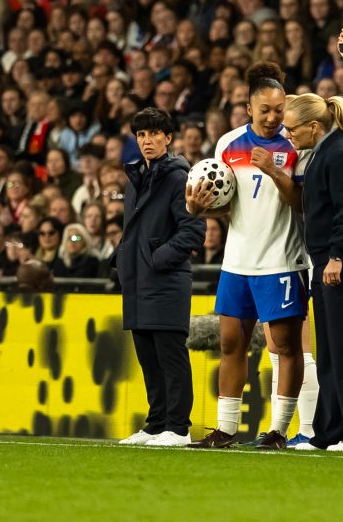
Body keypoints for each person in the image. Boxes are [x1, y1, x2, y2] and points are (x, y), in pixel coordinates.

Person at [187, 63, 316, 450]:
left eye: (279, 109)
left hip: (282, 260)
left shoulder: (295, 146)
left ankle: (278, 431)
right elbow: (227, 203)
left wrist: (274, 172)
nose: (274, 117)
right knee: (230, 345)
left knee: (287, 346)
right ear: (248, 109)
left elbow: (302, 202)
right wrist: (198, 209)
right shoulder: (227, 145)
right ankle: (226, 430)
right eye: (265, 110)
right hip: (237, 261)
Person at [282, 92, 343, 452]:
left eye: (292, 129)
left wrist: (338, 255)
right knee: (331, 352)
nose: (288, 135)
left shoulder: (340, 155)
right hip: (328, 261)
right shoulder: (327, 152)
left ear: (313, 126)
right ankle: (329, 432)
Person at [116, 107, 205, 447]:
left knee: (170, 358)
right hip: (138, 283)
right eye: (141, 135)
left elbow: (193, 231)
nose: (147, 140)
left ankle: (178, 428)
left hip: (165, 282)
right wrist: (124, 259)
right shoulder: (137, 177)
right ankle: (156, 424)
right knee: (149, 361)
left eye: (154, 133)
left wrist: (154, 259)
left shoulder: (179, 177)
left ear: (168, 138)